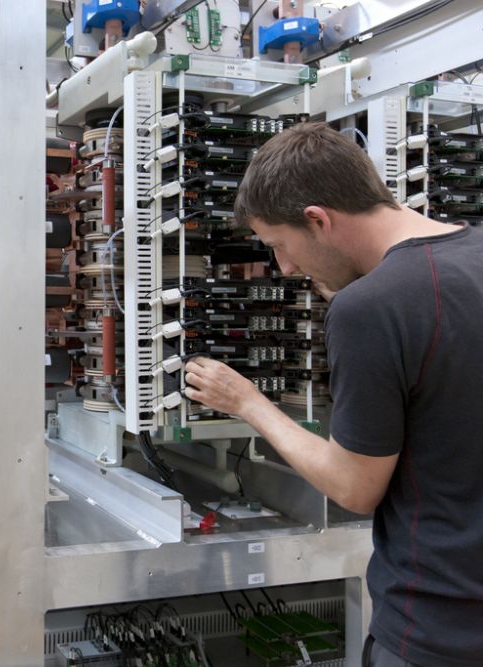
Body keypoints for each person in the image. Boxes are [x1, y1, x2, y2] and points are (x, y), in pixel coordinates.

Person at [183, 122, 483, 667]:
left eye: (280, 246)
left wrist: (249, 402)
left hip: (438, 631)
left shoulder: (370, 308)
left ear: (318, 220)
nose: (286, 269)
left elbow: (354, 487)